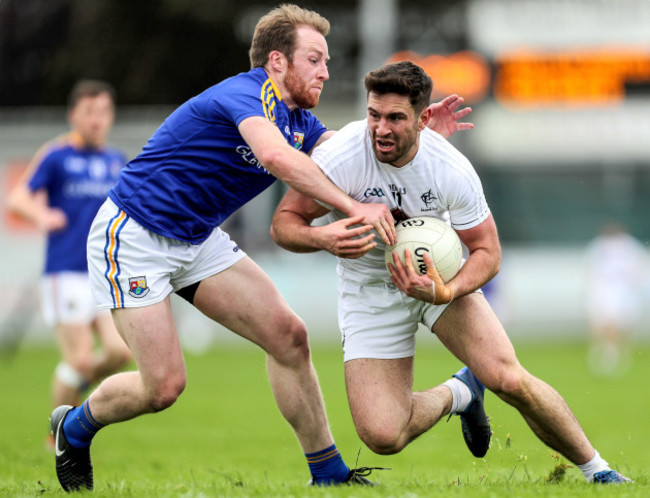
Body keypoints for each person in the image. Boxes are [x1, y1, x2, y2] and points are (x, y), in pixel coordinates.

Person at [48, 5, 399, 492]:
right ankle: (73, 427)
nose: (326, 70)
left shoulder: (300, 120)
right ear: (277, 61)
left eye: (327, 61)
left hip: (196, 238)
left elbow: (349, 151)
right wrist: (352, 207)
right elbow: (275, 157)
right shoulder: (245, 93)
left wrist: (414, 137)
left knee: (288, 336)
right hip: (134, 237)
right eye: (315, 59)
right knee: (163, 388)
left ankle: (329, 474)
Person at [270, 61, 632, 485]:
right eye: (373, 114)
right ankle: (461, 392)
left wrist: (448, 290)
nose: (380, 129)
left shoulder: (450, 168)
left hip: (441, 278)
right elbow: (283, 225)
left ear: (423, 119)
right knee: (383, 435)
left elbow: (487, 252)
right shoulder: (341, 156)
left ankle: (599, 471)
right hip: (369, 289)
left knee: (509, 379)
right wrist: (326, 238)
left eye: (395, 118)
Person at [6, 80, 132, 449]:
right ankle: (57, 434)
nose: (97, 120)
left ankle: (69, 412)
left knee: (119, 352)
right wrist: (42, 215)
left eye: (103, 112)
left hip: (104, 272)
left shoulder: (115, 160)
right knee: (78, 358)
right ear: (74, 114)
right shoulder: (57, 155)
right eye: (89, 112)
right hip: (66, 272)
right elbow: (18, 199)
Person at [583, 222, 647, 377]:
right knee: (603, 323)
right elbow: (591, 269)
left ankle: (615, 351)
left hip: (622, 291)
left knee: (620, 325)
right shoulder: (598, 246)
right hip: (604, 290)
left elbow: (638, 268)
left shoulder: (630, 246)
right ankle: (606, 351)